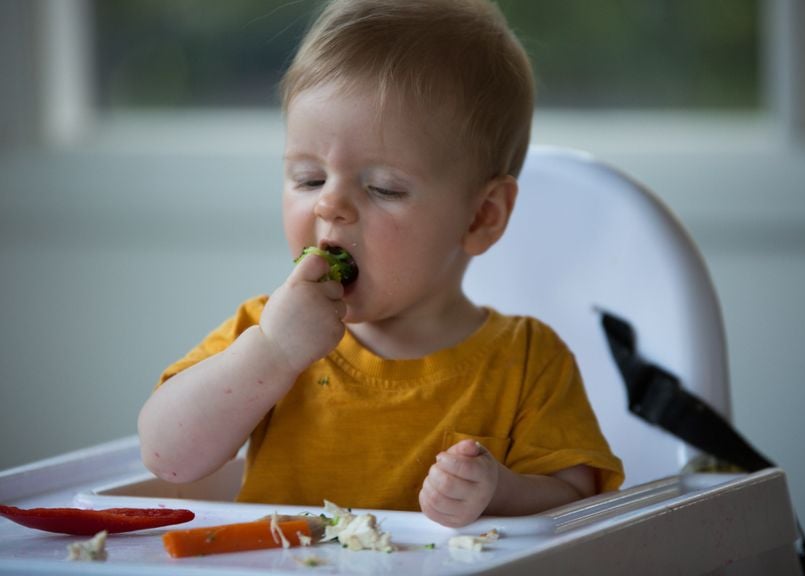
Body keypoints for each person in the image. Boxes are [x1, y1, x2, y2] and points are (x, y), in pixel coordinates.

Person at [138, 0, 623, 528]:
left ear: (481, 216)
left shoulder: (528, 361)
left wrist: (499, 491)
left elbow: (580, 506)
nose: (329, 205)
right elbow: (167, 456)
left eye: (383, 188)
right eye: (308, 178)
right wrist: (272, 354)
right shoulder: (265, 331)